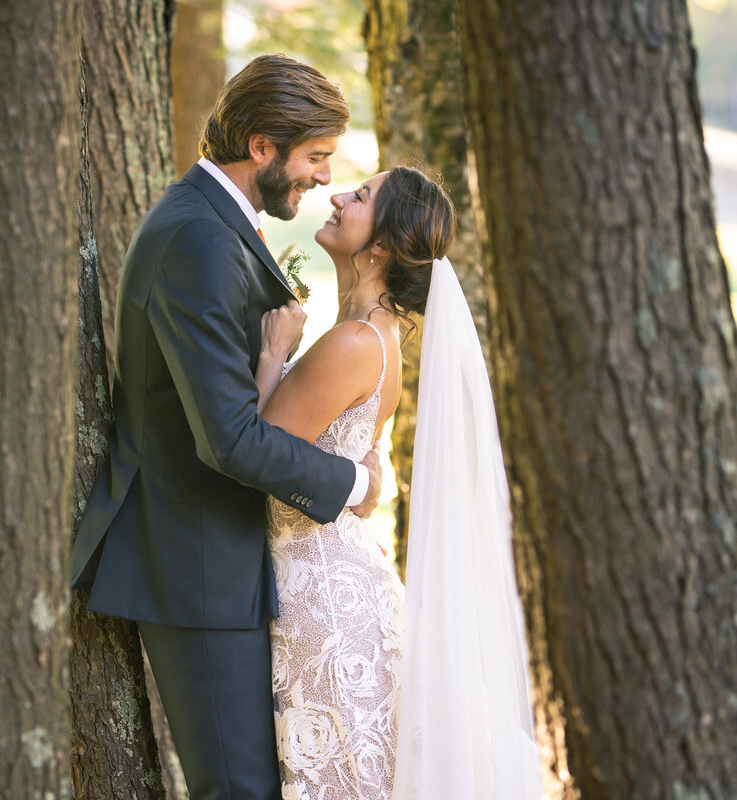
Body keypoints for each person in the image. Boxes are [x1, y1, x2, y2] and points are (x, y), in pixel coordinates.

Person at [70, 55, 384, 800]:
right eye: (313, 157)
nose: (320, 177)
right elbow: (230, 438)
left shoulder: (218, 226)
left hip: (223, 555)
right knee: (238, 790)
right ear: (261, 147)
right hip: (195, 562)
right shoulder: (199, 241)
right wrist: (354, 482)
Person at [256, 166, 542, 799]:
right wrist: (362, 483)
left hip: (324, 604)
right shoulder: (373, 337)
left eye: (358, 197)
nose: (335, 196)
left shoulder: (356, 341)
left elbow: (258, 450)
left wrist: (273, 353)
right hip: (332, 584)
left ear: (381, 245)